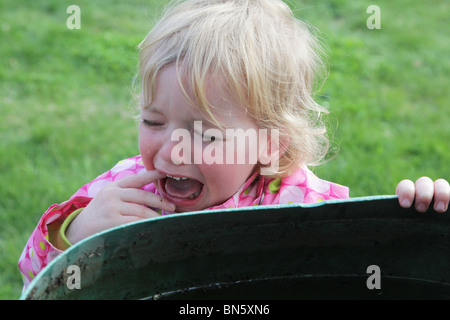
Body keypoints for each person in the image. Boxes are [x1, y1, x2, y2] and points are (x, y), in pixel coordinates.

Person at [18, 0, 449, 291]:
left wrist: (420, 223)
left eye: (206, 135)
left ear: (271, 146)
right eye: (153, 120)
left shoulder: (303, 205)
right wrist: (75, 233)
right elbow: (39, 279)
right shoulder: (124, 192)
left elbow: (369, 272)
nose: (173, 151)